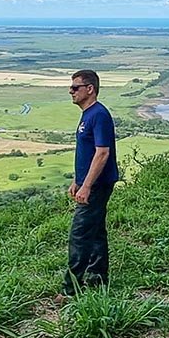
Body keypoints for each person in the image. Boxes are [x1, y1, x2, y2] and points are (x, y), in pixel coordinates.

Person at [62, 69, 119, 296]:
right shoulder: (88, 114)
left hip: (97, 185)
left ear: (90, 89)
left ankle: (70, 289)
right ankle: (98, 278)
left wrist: (86, 185)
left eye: (75, 87)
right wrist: (78, 180)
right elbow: (86, 151)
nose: (71, 91)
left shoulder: (98, 114)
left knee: (80, 234)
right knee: (95, 231)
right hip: (89, 183)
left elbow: (102, 153)